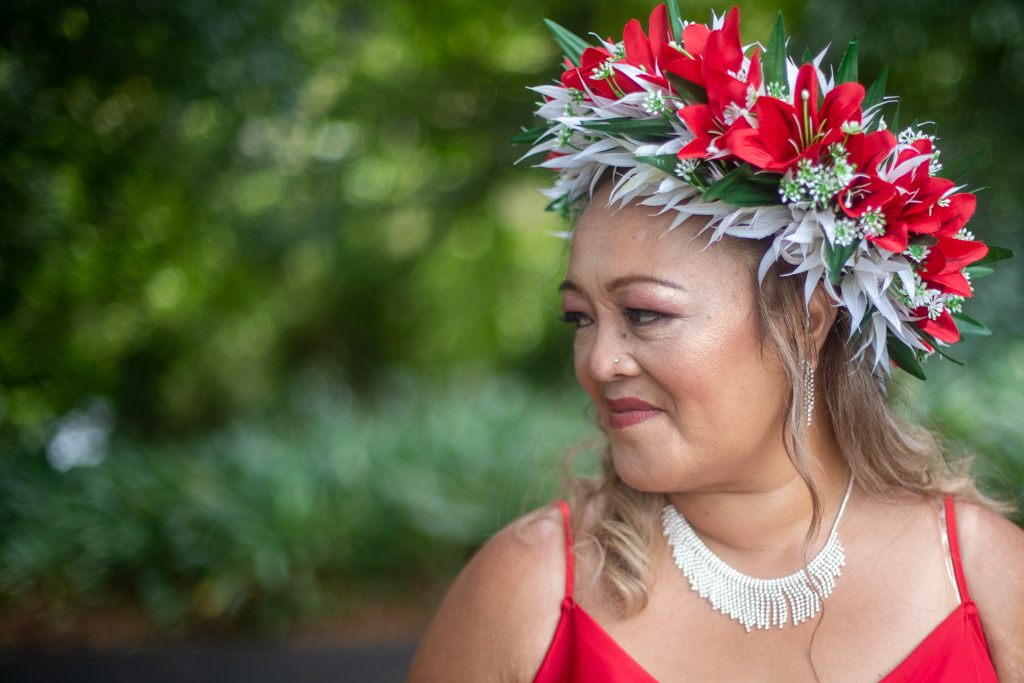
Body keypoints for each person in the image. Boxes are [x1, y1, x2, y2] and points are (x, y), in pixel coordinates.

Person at [407, 4, 1024, 681]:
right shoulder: (525, 589)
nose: (599, 361)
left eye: (643, 313)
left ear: (807, 322)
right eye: (580, 317)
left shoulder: (988, 578)